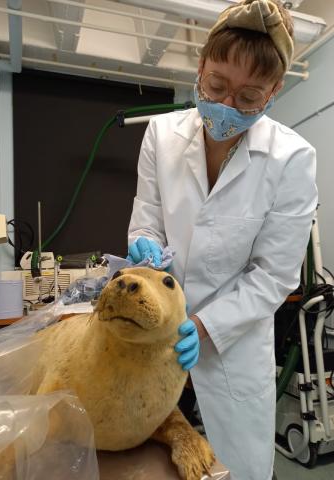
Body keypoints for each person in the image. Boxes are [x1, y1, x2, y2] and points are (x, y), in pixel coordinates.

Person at [126, 1, 318, 479]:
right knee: (149, 455)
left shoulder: (292, 159)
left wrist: (208, 326)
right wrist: (145, 245)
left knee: (239, 467)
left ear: (274, 93)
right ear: (200, 69)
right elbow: (147, 220)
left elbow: (273, 274)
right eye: (216, 87)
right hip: (158, 333)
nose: (227, 106)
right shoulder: (161, 135)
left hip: (232, 346)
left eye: (249, 97)